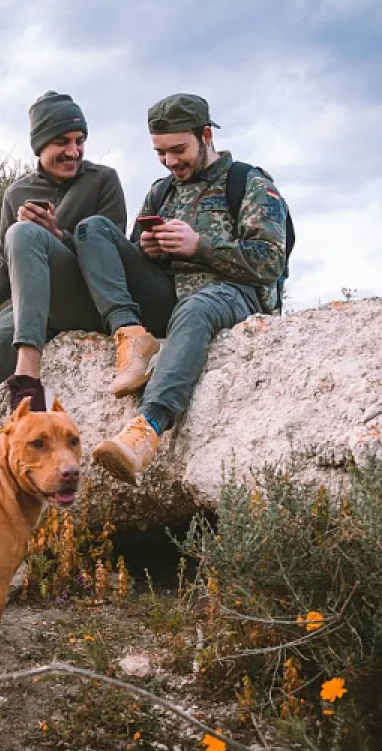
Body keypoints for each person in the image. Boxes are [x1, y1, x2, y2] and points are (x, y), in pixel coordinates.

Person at [0, 90, 177, 466]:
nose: (73, 151)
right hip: (38, 308)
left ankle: (28, 381)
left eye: (80, 141)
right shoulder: (17, 192)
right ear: (39, 146)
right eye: (61, 142)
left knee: (24, 234)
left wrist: (57, 237)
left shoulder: (103, 180)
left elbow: (105, 253)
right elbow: (4, 270)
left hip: (87, 298)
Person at [80, 93, 288, 483]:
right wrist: (147, 251)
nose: (170, 161)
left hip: (233, 294)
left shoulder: (249, 182)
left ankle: (147, 429)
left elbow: (270, 261)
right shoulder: (161, 192)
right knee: (92, 229)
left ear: (206, 135)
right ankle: (130, 335)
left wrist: (200, 246)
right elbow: (133, 262)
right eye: (160, 153)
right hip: (169, 298)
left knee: (195, 308)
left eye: (178, 149)